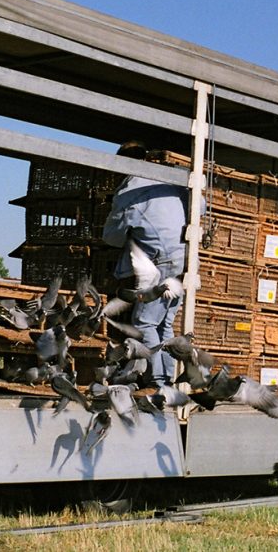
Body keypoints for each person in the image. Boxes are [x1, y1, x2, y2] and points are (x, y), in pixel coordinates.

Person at [102, 140, 190, 387]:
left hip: (162, 261)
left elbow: (111, 237)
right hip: (185, 259)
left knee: (145, 322)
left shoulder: (130, 190)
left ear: (122, 164)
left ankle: (158, 383)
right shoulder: (169, 179)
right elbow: (200, 208)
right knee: (165, 324)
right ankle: (168, 381)